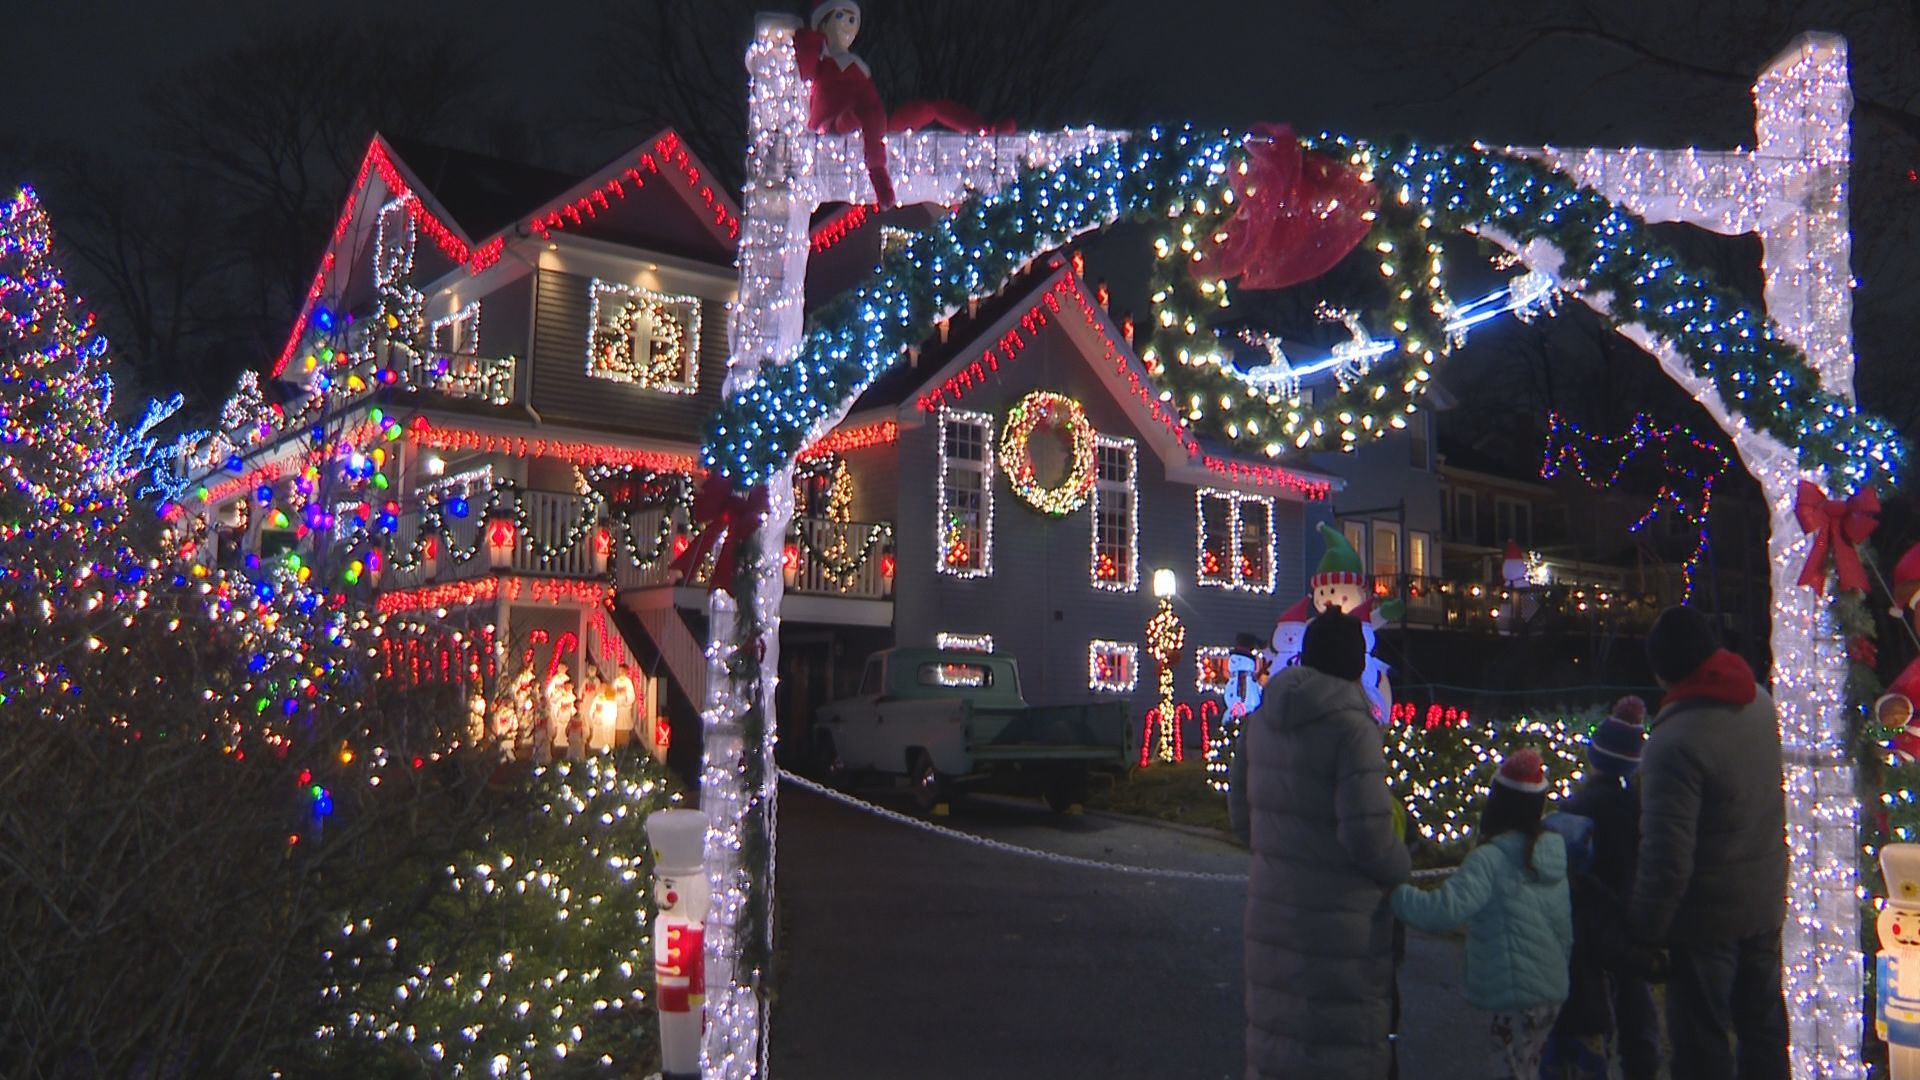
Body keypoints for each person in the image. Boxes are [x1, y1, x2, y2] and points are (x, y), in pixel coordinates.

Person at [1230, 608, 1410, 1078]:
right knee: (1338, 1048)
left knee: (1278, 1040)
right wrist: (1401, 867)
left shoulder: (1261, 720)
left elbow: (1242, 821)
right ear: (1356, 663)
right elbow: (1368, 836)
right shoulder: (1353, 728)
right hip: (1340, 925)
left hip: (1273, 913)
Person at [1631, 605, 1788, 1078]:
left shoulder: (1674, 742)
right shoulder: (1760, 704)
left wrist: (1645, 931)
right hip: (1763, 900)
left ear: (1663, 670)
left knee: (1702, 1046)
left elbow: (1667, 858)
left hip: (1706, 921)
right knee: (1763, 1033)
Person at [1393, 749, 1573, 1079]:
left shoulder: (1490, 859)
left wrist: (1396, 894)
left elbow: (1444, 911)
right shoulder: (1550, 854)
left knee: (1510, 1071)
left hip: (1515, 995)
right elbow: (1564, 927)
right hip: (1551, 991)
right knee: (1527, 1068)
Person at [1541, 696, 1661, 1078]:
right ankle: (1642, 1067)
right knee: (1635, 1005)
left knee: (1593, 1002)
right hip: (1629, 912)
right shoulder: (1639, 807)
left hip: (1590, 918)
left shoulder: (1577, 808)